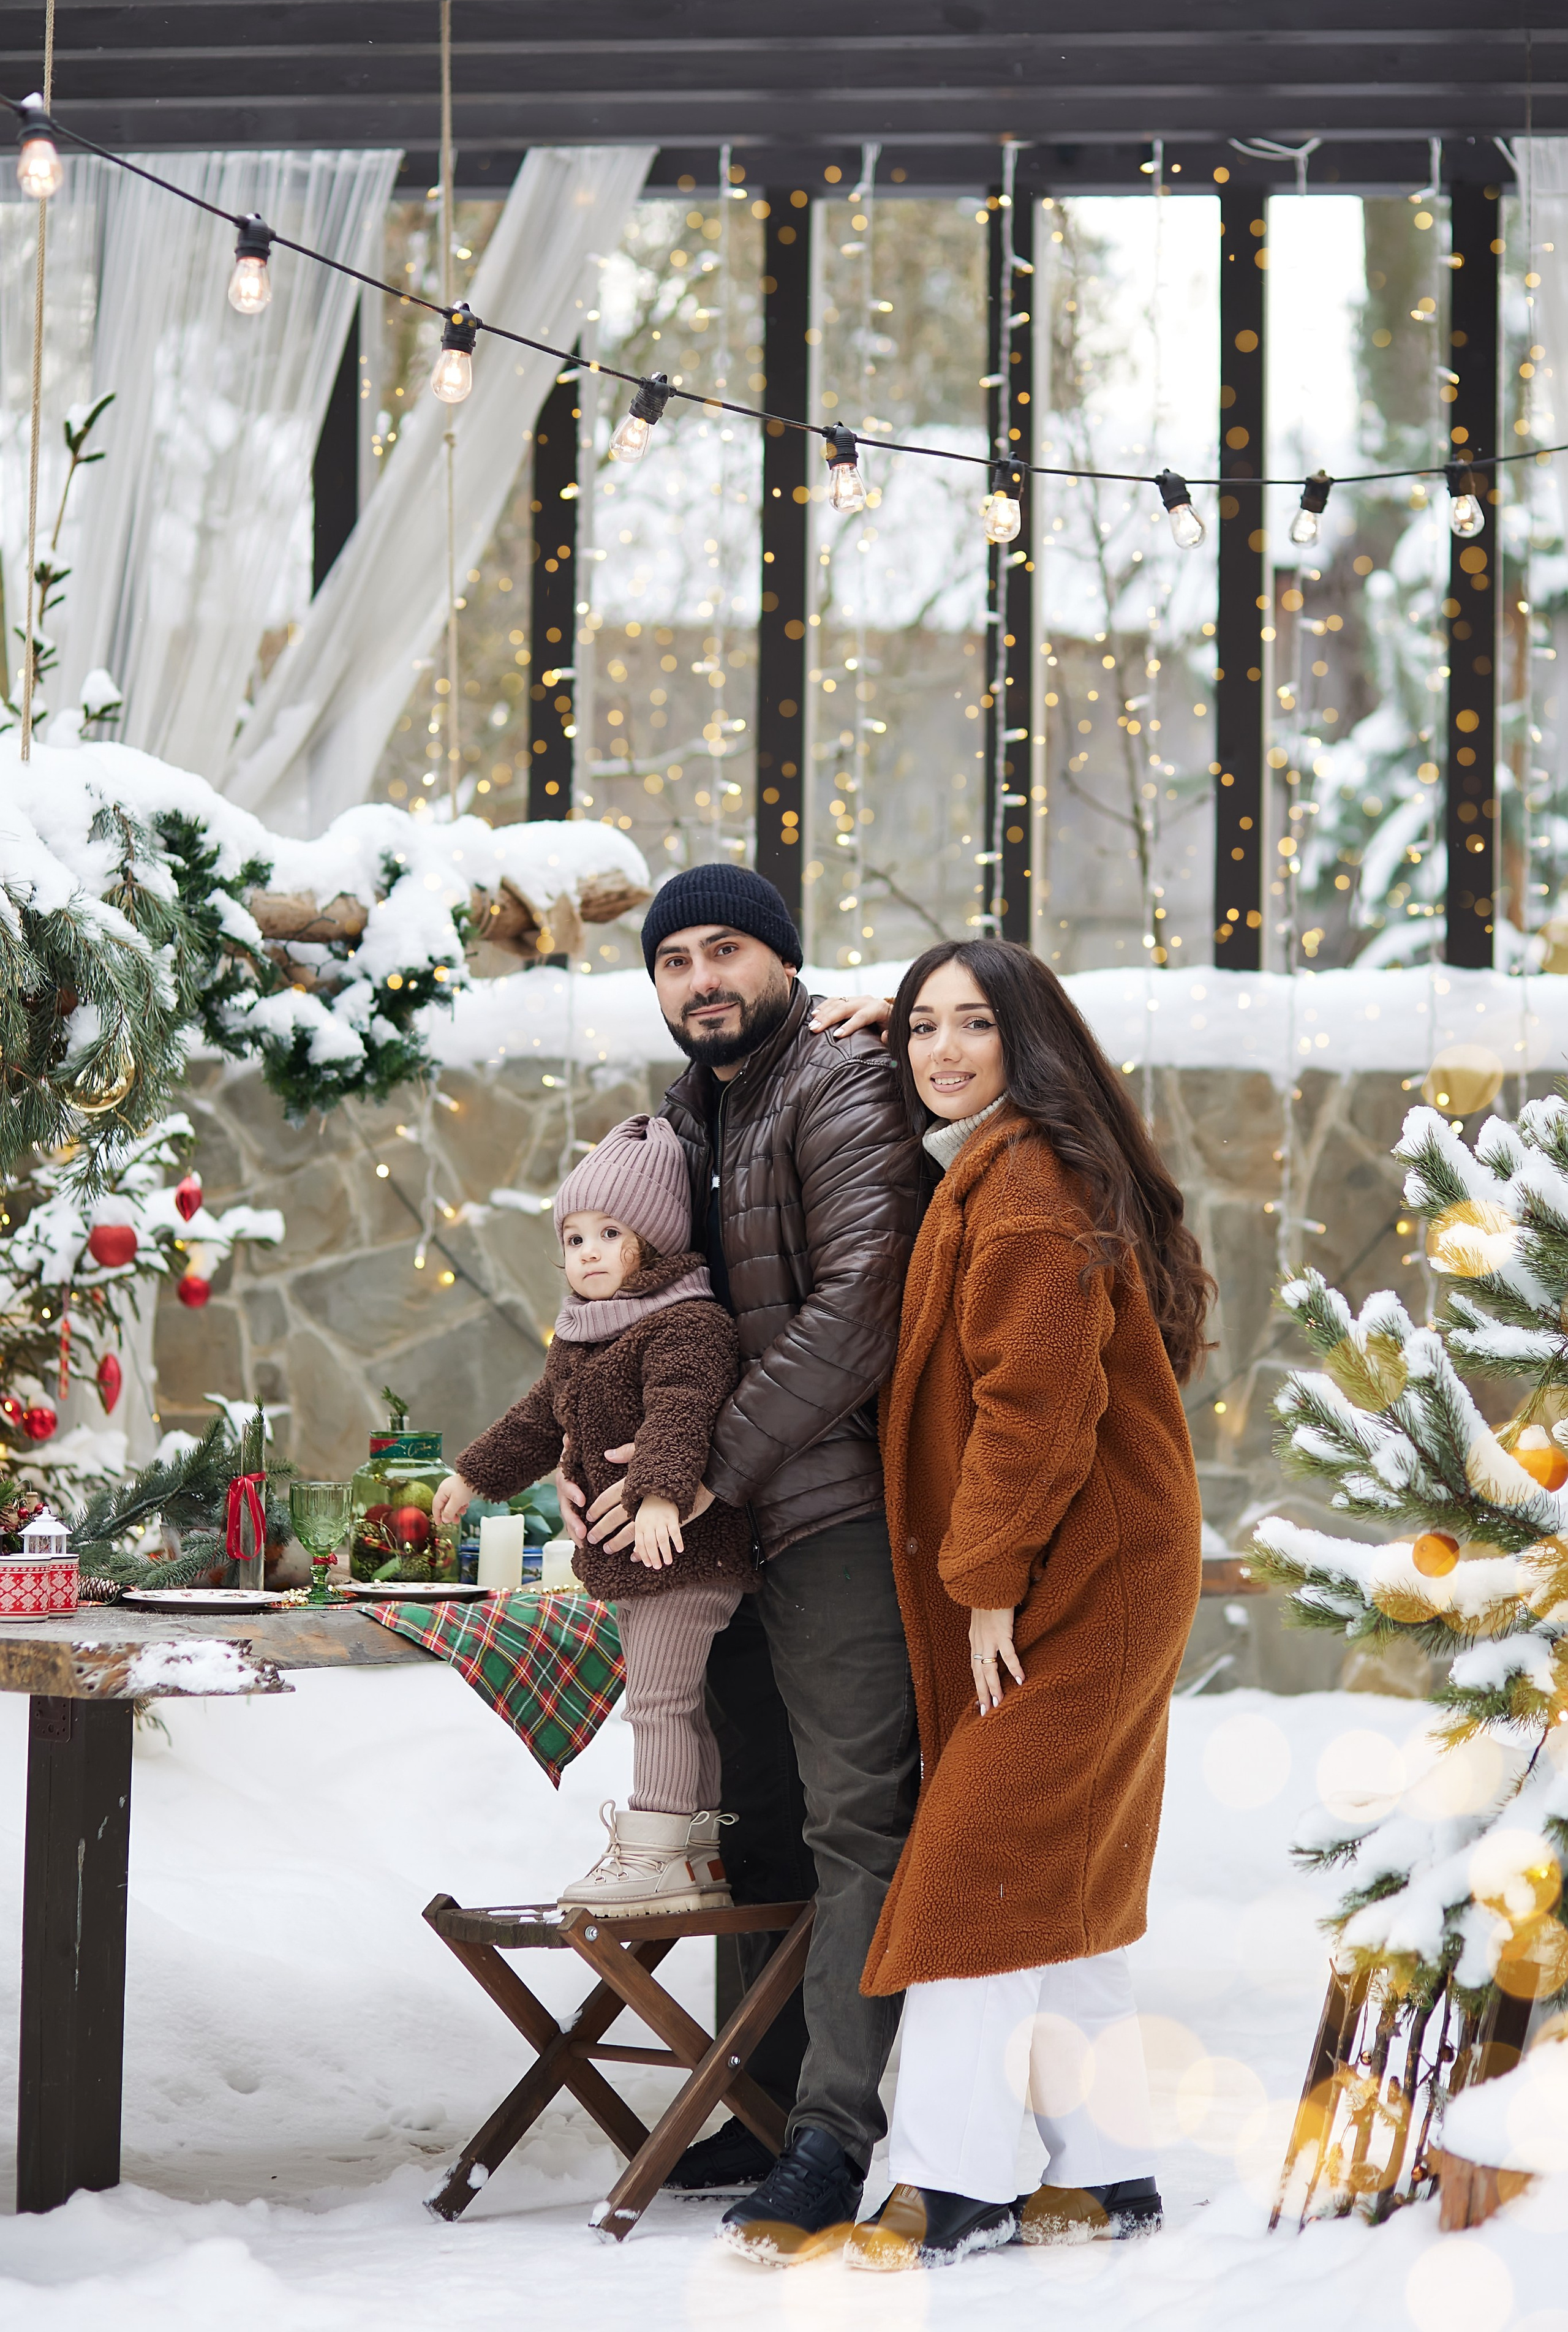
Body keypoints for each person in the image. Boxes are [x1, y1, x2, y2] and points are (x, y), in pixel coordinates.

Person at [827, 940, 1212, 2273]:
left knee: (976, 1868)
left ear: (1027, 1044)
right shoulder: (1010, 1160)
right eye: (919, 1028)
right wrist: (892, 1005)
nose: (938, 1052)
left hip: (1075, 1579)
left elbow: (1033, 1406)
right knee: (1066, 1870)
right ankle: (1102, 2173)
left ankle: (946, 2184)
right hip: (1105, 1561)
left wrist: (986, 1579)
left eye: (972, 1028)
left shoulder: (1027, 1188)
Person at [560, 862, 922, 2263]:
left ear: (781, 961)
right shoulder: (685, 1121)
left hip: (825, 1510)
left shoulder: (838, 1082)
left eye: (727, 950)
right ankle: (759, 2104)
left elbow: (856, 1308)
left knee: (848, 1823)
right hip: (712, 1538)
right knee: (747, 1825)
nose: (700, 977)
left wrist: (710, 1465)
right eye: (673, 961)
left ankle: (834, 2128)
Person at [435, 1114, 759, 1914]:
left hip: (682, 1552)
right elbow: (541, 1418)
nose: (586, 1251)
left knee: (660, 1703)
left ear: (652, 1241)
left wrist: (661, 1493)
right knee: (683, 1703)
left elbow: (685, 1410)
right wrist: (475, 1476)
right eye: (574, 1236)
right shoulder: (580, 1336)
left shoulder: (688, 1322)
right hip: (638, 1560)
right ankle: (696, 1857)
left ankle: (653, 1853)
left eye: (609, 1233)